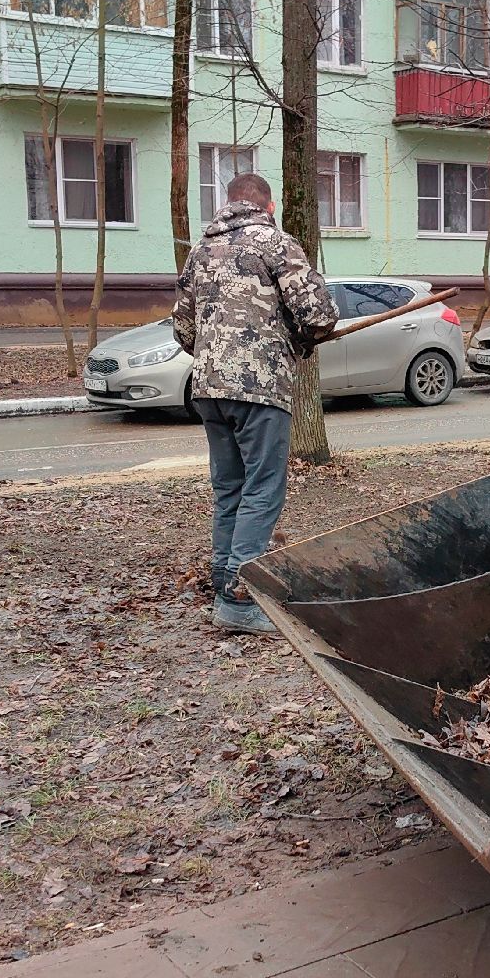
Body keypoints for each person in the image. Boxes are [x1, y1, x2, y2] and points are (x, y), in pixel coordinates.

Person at [172, 173, 338, 635]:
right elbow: (319, 315)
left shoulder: (200, 251)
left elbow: (182, 330)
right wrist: (298, 338)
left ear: (228, 204)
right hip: (259, 387)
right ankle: (241, 599)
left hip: (207, 389)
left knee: (230, 488)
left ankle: (224, 579)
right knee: (263, 489)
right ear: (269, 205)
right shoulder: (276, 244)